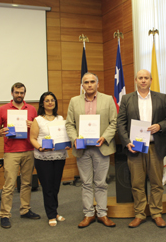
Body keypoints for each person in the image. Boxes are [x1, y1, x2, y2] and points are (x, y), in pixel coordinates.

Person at [117, 69, 166, 228]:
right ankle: (140, 214)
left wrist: (160, 126)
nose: (143, 80)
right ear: (136, 80)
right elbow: (120, 123)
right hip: (135, 147)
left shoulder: (161, 98)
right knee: (137, 183)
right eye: (140, 78)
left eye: (146, 78)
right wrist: (127, 141)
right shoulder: (127, 99)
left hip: (155, 147)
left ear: (151, 80)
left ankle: (156, 213)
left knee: (157, 182)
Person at [66, 72, 117, 228]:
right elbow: (69, 124)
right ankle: (88, 214)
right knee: (86, 183)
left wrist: (104, 137)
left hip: (101, 147)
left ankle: (102, 213)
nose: (89, 84)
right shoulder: (74, 101)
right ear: (82, 85)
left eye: (92, 82)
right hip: (82, 149)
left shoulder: (108, 99)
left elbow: (114, 122)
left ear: (98, 84)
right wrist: (75, 139)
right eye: (86, 82)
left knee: (101, 183)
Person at [0, 82, 40, 229]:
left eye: (22, 93)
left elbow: (38, 130)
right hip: (11, 152)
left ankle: (25, 210)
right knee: (9, 185)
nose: (19, 95)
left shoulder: (32, 109)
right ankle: (4, 215)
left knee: (26, 183)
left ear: (24, 94)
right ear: (12, 93)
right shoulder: (3, 109)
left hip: (29, 150)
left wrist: (32, 125)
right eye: (17, 92)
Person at [30, 92, 70, 227]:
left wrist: (67, 143)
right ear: (42, 103)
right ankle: (51, 215)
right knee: (47, 187)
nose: (50, 103)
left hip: (59, 156)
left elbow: (64, 136)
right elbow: (32, 139)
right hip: (43, 158)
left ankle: (54, 211)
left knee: (55, 186)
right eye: (47, 100)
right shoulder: (38, 120)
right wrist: (40, 148)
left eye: (52, 100)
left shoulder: (60, 118)